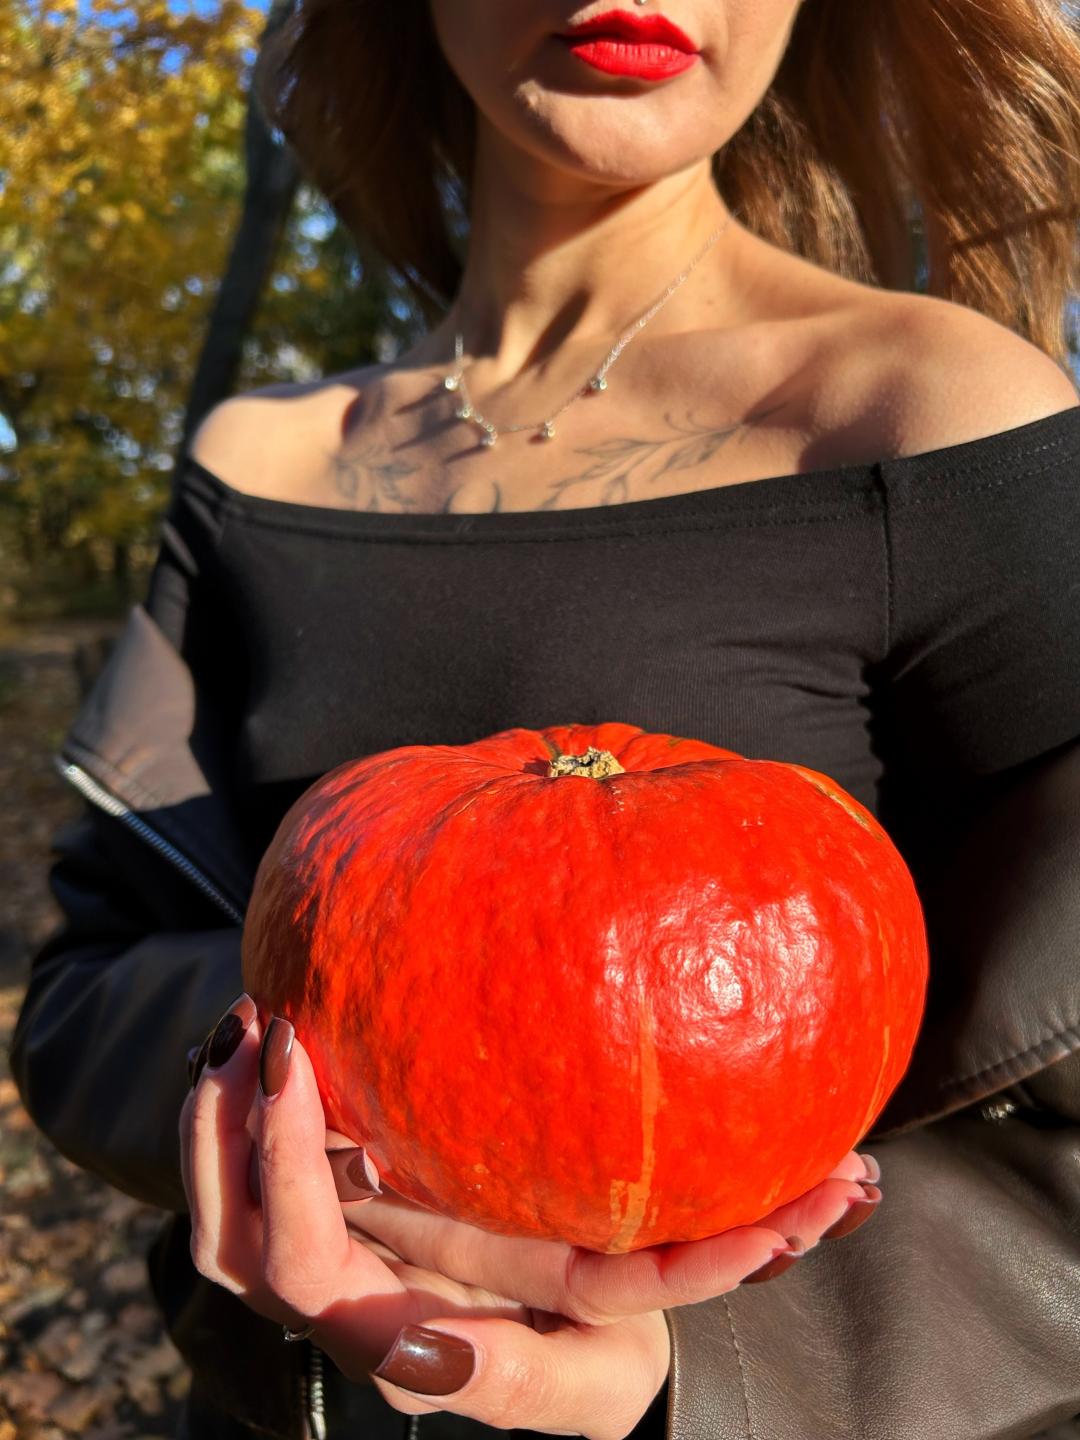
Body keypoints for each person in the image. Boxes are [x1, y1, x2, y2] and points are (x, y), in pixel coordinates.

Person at [11, 0, 1080, 1435]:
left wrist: (725, 1362)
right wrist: (335, 1096)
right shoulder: (257, 464)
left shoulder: (937, 422)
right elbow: (89, 994)